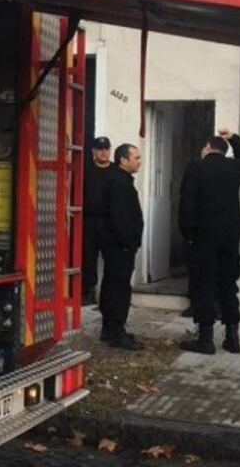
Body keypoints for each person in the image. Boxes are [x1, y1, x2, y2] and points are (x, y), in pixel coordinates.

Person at [178, 130, 240, 355]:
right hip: (229, 238)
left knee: (204, 285)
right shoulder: (235, 168)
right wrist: (234, 138)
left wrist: (188, 235)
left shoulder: (196, 167)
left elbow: (187, 205)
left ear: (207, 147)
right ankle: (232, 337)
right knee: (227, 285)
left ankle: (205, 338)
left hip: (203, 238)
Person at [98, 143, 144, 350]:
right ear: (123, 160)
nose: (139, 162)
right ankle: (116, 331)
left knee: (112, 284)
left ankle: (109, 329)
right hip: (119, 247)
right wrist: (128, 243)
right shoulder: (119, 182)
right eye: (136, 158)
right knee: (119, 288)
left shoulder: (119, 180)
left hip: (116, 245)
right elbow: (119, 217)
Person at [83, 136, 115, 305]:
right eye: (100, 149)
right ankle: (89, 291)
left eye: (106, 149)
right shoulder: (85, 170)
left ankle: (109, 294)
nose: (104, 152)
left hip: (110, 221)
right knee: (88, 256)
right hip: (90, 219)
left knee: (112, 257)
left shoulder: (116, 171)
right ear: (93, 152)